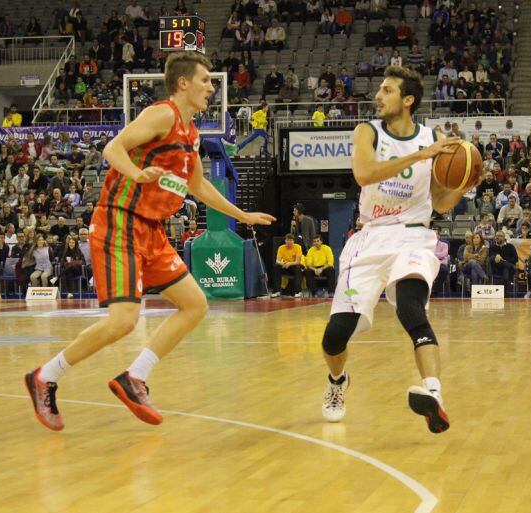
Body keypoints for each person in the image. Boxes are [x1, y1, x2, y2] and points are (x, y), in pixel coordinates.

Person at [24, 52, 274, 431]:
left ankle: (134, 377)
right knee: (124, 321)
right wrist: (138, 174)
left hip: (152, 230)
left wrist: (242, 216)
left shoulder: (191, 134)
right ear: (183, 83)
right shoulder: (162, 115)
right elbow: (113, 149)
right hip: (119, 221)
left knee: (195, 304)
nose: (211, 86)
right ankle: (45, 375)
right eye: (205, 80)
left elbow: (199, 186)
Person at [318, 65, 468, 433]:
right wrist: (421, 155)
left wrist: (464, 183)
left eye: (387, 90)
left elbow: (440, 202)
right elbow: (365, 175)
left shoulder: (431, 139)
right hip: (370, 237)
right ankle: (337, 382)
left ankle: (434, 393)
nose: (378, 96)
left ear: (408, 100)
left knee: (412, 308)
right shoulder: (367, 131)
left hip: (415, 236)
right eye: (380, 90)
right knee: (337, 333)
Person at [271, 233, 304, 298]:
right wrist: (283, 264)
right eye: (287, 240)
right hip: (285, 266)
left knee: (298, 268)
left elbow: (297, 262)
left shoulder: (298, 247)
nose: (289, 242)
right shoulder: (281, 248)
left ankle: (298, 291)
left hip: (294, 265)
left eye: (290, 240)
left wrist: (289, 263)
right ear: (285, 241)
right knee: (276, 267)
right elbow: (277, 261)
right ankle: (277, 291)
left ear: (293, 241)